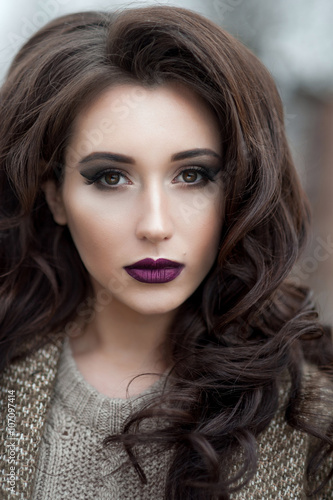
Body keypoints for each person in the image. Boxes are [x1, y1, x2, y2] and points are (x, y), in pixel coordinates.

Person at [0, 5, 332, 499]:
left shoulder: (314, 417)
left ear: (239, 190)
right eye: (110, 177)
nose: (155, 225)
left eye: (192, 175)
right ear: (54, 196)